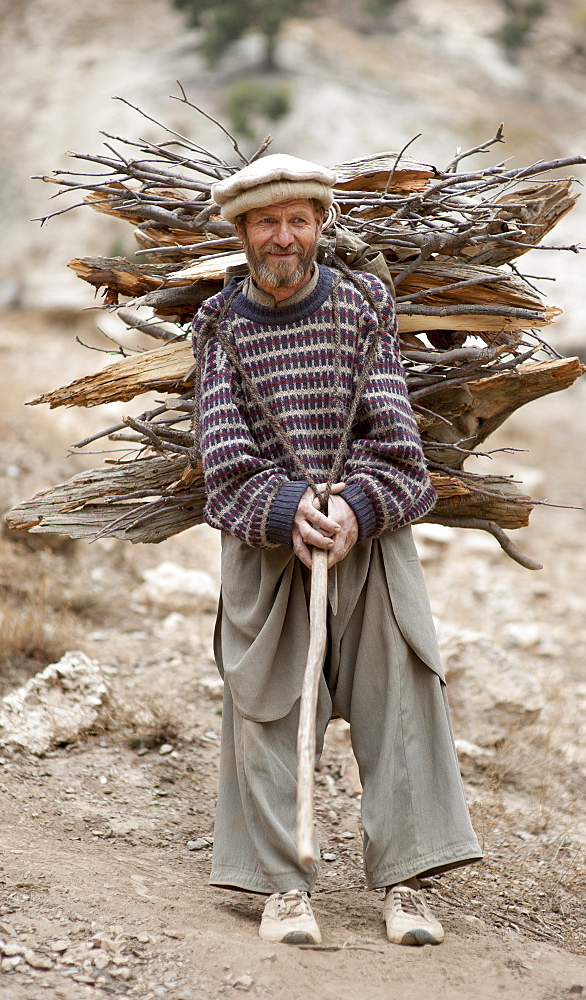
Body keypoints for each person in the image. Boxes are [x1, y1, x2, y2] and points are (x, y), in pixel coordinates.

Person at [191, 153, 482, 947]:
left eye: (296, 219)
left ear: (320, 225)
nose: (281, 236)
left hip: (370, 538)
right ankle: (283, 887)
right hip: (268, 543)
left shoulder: (361, 305)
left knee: (404, 700)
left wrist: (353, 508)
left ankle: (408, 881)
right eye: (263, 221)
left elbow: (398, 451)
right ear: (242, 232)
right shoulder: (219, 326)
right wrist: (287, 510)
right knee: (267, 707)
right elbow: (223, 462)